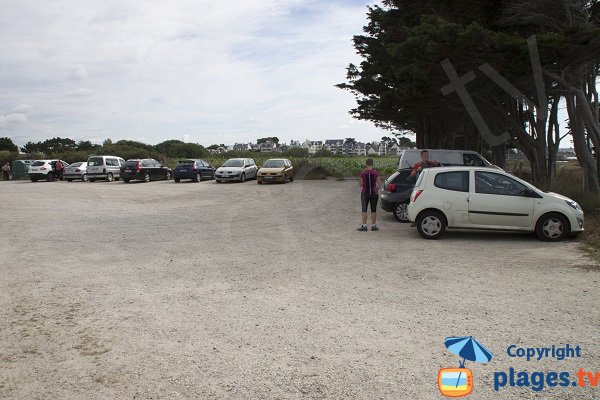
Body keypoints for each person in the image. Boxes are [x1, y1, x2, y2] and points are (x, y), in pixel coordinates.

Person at [358, 158, 381, 232]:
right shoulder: (376, 173)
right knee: (373, 210)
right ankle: (373, 226)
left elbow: (361, 184)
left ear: (366, 164)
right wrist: (375, 190)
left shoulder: (363, 173)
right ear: (372, 164)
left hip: (365, 192)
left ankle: (364, 226)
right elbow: (379, 184)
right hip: (374, 193)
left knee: (364, 210)